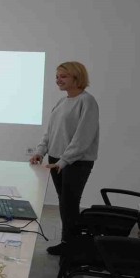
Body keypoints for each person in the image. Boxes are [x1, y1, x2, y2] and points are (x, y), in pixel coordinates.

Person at [30, 62, 99, 256]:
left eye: (63, 76)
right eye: (57, 76)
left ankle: (72, 246)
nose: (58, 80)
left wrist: (64, 161)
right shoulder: (62, 102)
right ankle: (68, 243)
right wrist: (40, 151)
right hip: (56, 159)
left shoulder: (87, 101)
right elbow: (50, 132)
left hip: (75, 162)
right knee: (65, 203)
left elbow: (83, 138)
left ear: (77, 78)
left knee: (70, 203)